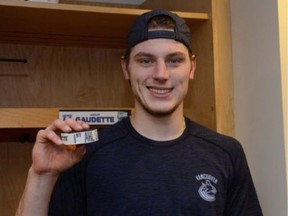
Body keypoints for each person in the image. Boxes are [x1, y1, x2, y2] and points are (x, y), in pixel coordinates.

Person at [16, 9, 263, 216]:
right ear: (126, 68)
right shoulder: (85, 154)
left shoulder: (226, 153)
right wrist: (41, 175)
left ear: (192, 66)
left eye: (174, 60)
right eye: (145, 60)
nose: (161, 74)